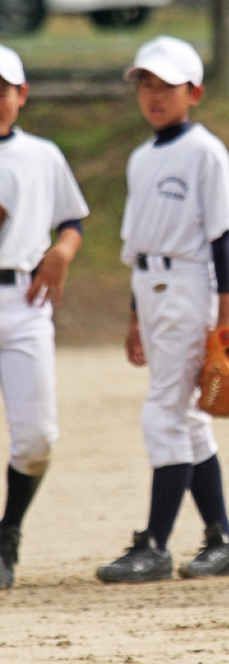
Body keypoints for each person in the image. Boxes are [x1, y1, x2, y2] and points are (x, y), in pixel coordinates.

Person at [96, 36, 229, 584]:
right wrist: (135, 318)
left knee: (163, 413)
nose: (155, 95)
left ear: (194, 92)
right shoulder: (140, 159)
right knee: (188, 420)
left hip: (190, 285)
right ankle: (222, 542)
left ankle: (154, 545)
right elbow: (136, 245)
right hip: (151, 287)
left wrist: (226, 313)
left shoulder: (206, 151)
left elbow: (221, 236)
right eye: (147, 85)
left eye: (167, 85)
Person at [0, 45, 89, 589]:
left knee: (36, 440)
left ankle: (8, 531)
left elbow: (72, 219)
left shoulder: (42, 155)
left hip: (25, 300)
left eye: (2, 89)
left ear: (22, 94)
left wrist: (62, 251)